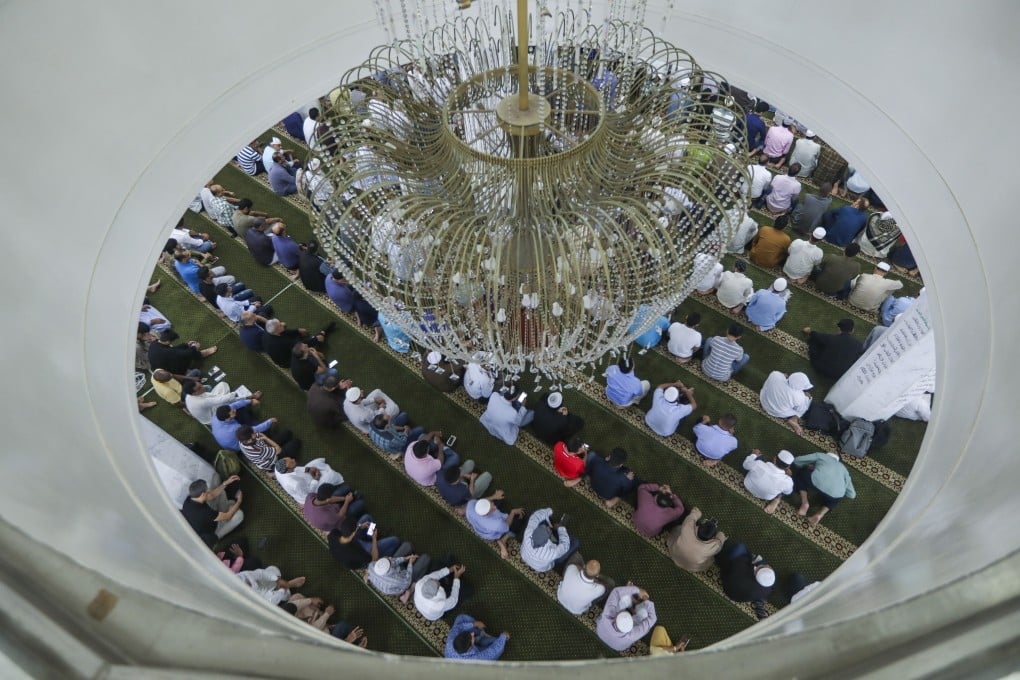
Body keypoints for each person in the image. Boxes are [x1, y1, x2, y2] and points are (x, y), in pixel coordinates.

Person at [792, 452, 857, 525]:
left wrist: (807, 466)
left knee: (801, 475)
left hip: (816, 480)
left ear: (827, 454)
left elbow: (797, 460)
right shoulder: (844, 470)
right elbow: (852, 494)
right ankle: (820, 514)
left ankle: (805, 502)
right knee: (835, 500)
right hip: (835, 493)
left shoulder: (822, 456)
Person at [181, 477, 243, 547]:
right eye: (206, 491)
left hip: (204, 523)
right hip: (212, 533)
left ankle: (229, 508)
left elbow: (211, 495)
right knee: (239, 515)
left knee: (221, 492)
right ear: (202, 494)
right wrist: (239, 501)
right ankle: (219, 537)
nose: (208, 492)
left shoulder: (189, 499)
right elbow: (228, 516)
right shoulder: (205, 513)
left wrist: (226, 483)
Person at [596, 585, 657, 652]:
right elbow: (653, 618)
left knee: (624, 597)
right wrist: (646, 601)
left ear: (616, 617)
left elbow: (616, 592)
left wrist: (635, 590)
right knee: (645, 614)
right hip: (617, 647)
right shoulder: (633, 635)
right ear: (631, 628)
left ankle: (632, 600)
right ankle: (636, 606)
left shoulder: (607, 616)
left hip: (600, 633)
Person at [466, 494, 524, 559]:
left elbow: (480, 501)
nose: (495, 507)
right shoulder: (496, 524)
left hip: (482, 529)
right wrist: (512, 512)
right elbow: (507, 525)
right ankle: (503, 539)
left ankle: (500, 542)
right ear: (486, 514)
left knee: (499, 498)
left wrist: (494, 496)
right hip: (494, 532)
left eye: (491, 503)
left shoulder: (470, 505)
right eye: (492, 508)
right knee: (519, 520)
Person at [520, 508, 579, 573]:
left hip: (525, 556)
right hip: (545, 562)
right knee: (575, 542)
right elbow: (565, 546)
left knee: (537, 518)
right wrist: (560, 528)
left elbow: (535, 516)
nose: (548, 528)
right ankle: (555, 532)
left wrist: (549, 511)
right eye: (548, 531)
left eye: (544, 527)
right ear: (545, 542)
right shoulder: (549, 553)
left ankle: (552, 529)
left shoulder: (528, 533)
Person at [668, 507, 726, 572]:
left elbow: (693, 515)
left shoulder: (688, 528)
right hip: (692, 565)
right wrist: (721, 534)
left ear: (700, 525)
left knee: (680, 530)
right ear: (713, 537)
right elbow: (721, 538)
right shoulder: (712, 546)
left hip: (675, 552)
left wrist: (697, 513)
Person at [367, 549, 432, 604]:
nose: (390, 557)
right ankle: (410, 590)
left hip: (397, 573)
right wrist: (410, 563)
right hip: (404, 583)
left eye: (387, 558)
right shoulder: (396, 581)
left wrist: (405, 558)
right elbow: (407, 581)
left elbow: (393, 561)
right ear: (389, 568)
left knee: (407, 546)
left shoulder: (372, 566)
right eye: (389, 559)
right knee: (425, 558)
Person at [262, 318, 332, 368]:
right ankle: (321, 337)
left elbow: (284, 332)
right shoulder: (284, 342)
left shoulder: (268, 332)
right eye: (280, 325)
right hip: (287, 361)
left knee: (298, 333)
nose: (282, 324)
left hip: (281, 351)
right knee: (310, 349)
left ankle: (319, 338)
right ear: (276, 331)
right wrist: (316, 339)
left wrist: (297, 330)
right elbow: (301, 345)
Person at [182, 380, 257, 426]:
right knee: (228, 400)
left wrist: (221, 397)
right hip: (212, 417)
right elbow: (222, 400)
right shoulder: (201, 402)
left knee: (222, 384)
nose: (202, 387)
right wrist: (236, 394)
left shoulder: (188, 396)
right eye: (199, 388)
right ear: (193, 393)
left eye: (200, 384)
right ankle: (248, 397)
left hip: (209, 407)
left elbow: (212, 397)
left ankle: (242, 398)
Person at [743, 449, 796, 514]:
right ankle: (777, 499)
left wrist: (753, 455)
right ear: (788, 467)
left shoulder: (759, 463)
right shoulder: (787, 481)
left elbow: (745, 465)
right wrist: (788, 476)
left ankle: (776, 500)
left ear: (774, 459)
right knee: (785, 488)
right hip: (765, 497)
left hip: (747, 484)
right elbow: (788, 492)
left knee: (757, 458)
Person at [274, 455, 343, 504]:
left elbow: (295, 469)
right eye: (292, 462)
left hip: (301, 480)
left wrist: (308, 469)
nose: (293, 460)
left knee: (316, 463)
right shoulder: (295, 484)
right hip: (307, 494)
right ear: (288, 470)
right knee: (331, 475)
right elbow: (308, 494)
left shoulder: (277, 468)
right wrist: (316, 479)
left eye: (291, 459)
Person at [148, 330, 216, 375]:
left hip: (164, 365)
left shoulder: (155, 343)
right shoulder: (166, 351)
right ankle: (201, 355)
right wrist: (195, 347)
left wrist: (186, 345)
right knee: (189, 353)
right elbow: (185, 353)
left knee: (186, 349)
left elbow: (174, 349)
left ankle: (199, 355)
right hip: (172, 372)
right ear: (168, 341)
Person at [444, 614, 509, 661]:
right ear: (469, 648)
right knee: (494, 644)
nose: (472, 634)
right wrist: (503, 636)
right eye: (471, 637)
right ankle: (482, 638)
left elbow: (459, 627)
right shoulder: (474, 659)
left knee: (460, 618)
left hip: (469, 652)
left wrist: (474, 624)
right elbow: (493, 651)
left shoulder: (451, 640)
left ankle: (480, 634)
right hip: (476, 657)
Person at [236, 567, 305, 606]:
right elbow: (269, 602)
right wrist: (283, 588)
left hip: (262, 585)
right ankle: (287, 585)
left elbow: (260, 574)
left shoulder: (241, 576)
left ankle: (284, 585)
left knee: (273, 569)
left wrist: (277, 580)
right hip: (263, 601)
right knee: (285, 596)